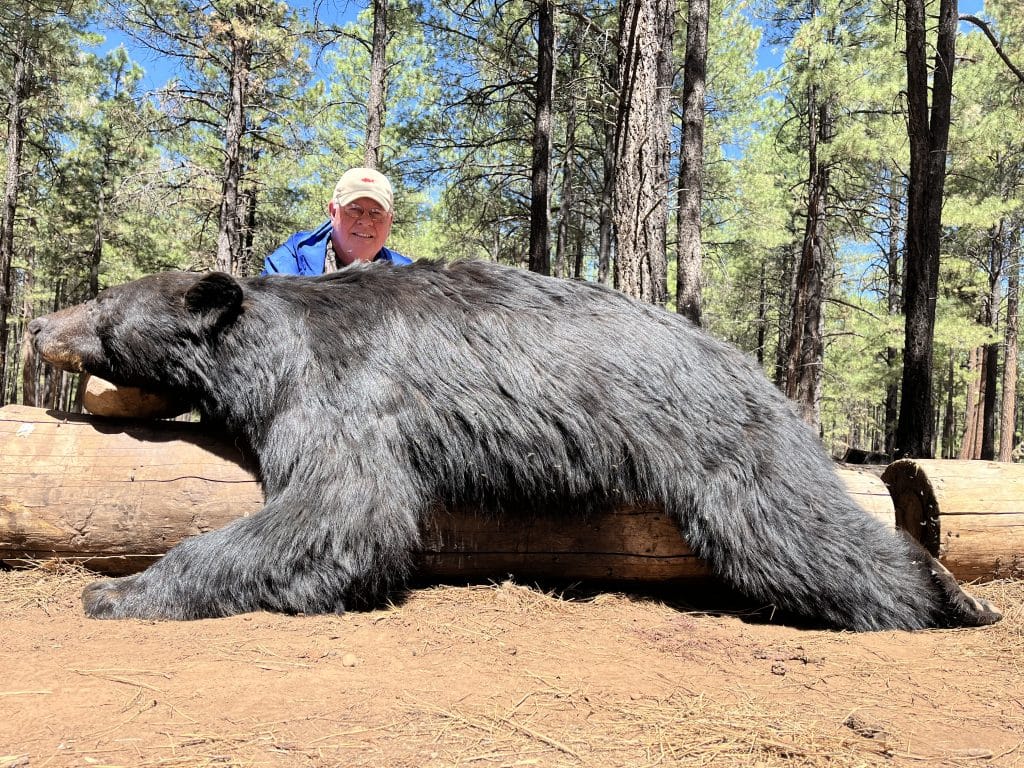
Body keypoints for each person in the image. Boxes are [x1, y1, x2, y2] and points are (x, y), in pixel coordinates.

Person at [262, 167, 412, 275]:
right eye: (354, 209)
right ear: (333, 212)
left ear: (390, 222)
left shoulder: (407, 275)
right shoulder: (291, 262)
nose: (366, 221)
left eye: (376, 213)